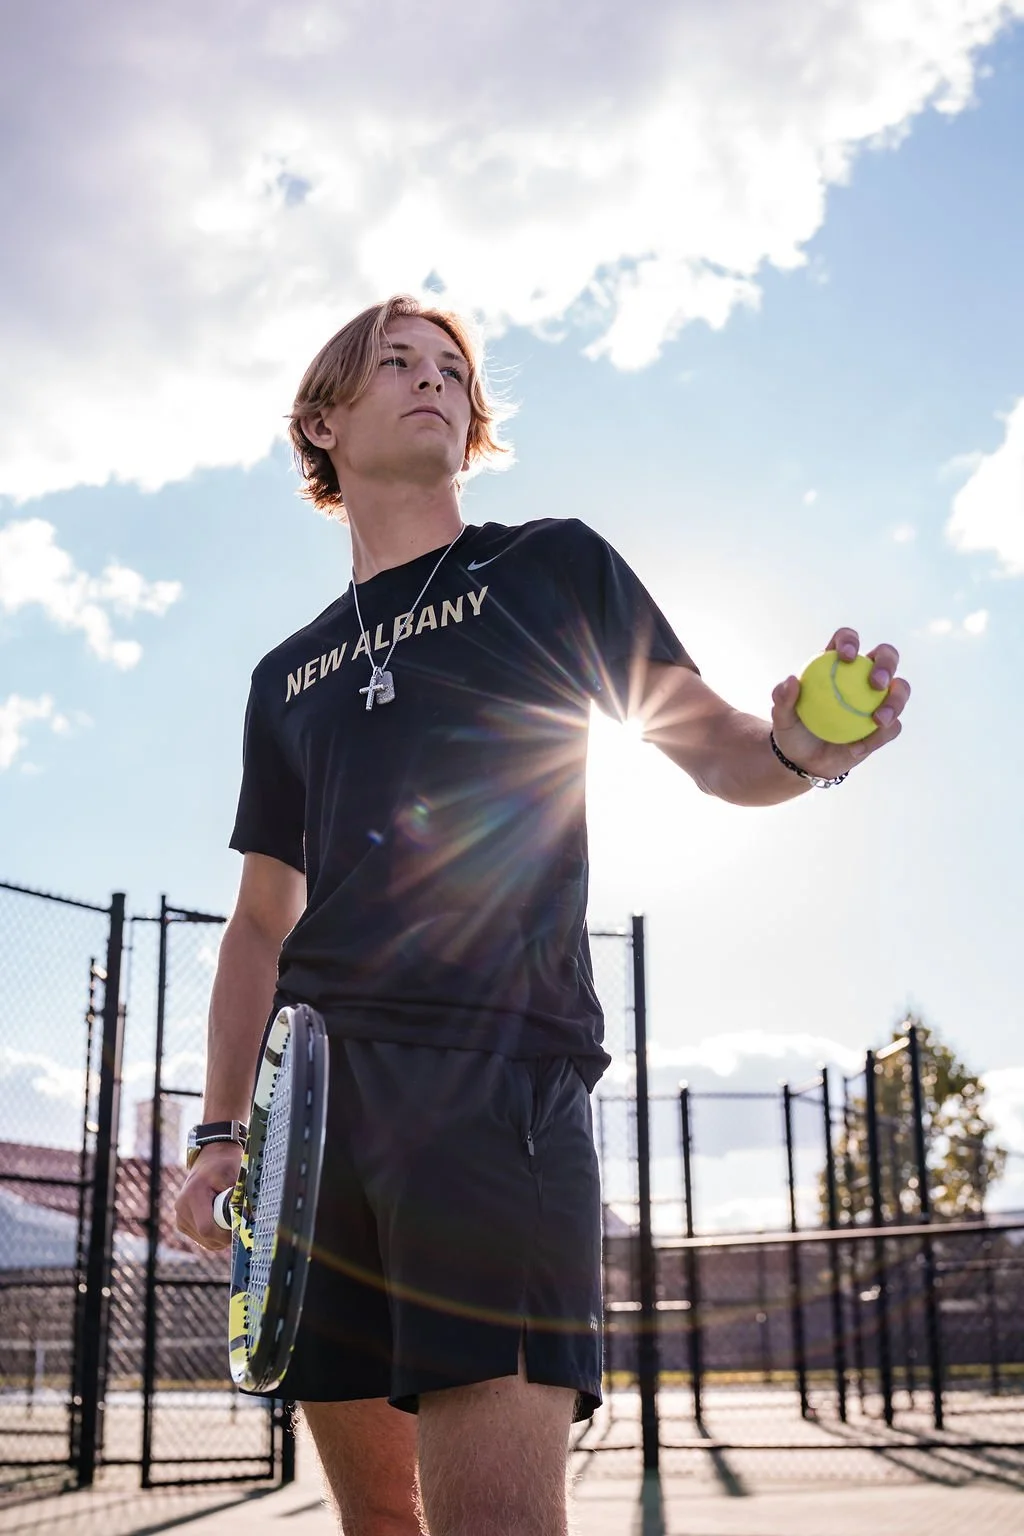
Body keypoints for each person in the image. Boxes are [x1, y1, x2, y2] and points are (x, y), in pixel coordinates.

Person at [175, 294, 910, 1535]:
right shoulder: (285, 673)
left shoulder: (547, 566)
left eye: (452, 368)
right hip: (317, 1130)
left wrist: (799, 749)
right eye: (395, 363)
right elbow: (260, 924)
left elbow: (718, 749)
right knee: (379, 1528)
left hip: (493, 1085)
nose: (434, 380)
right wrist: (221, 1133)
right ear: (322, 421)